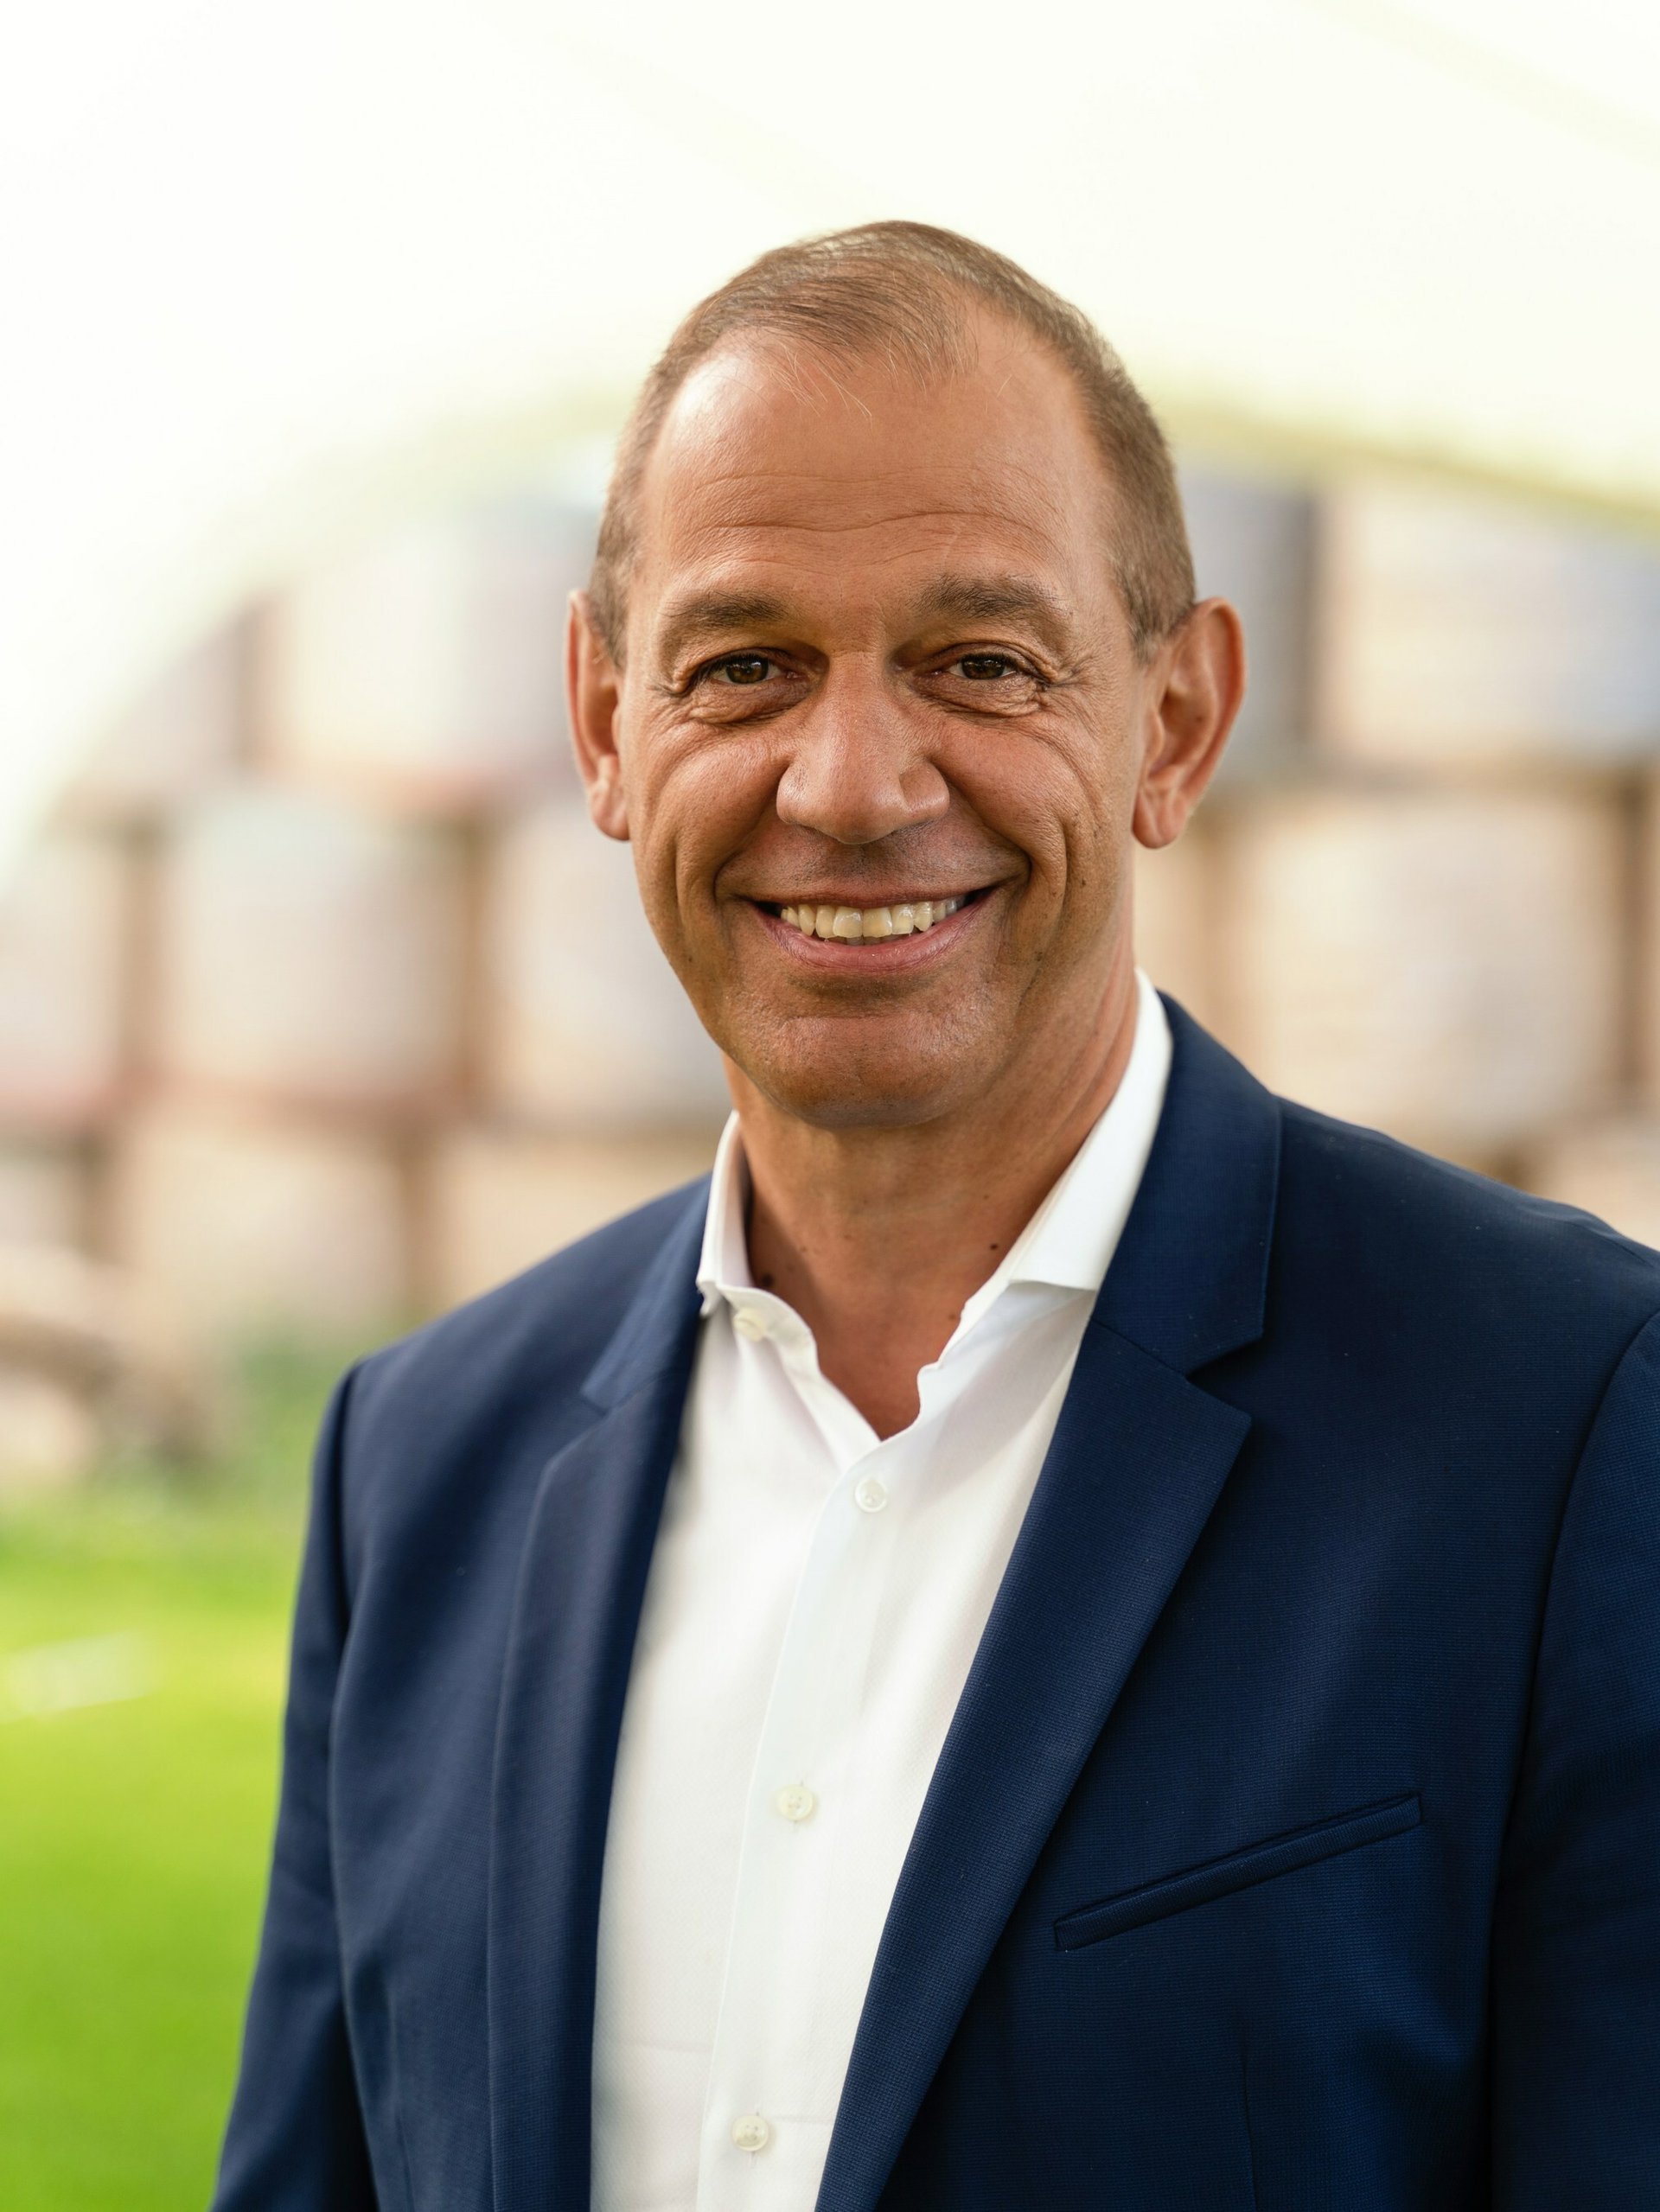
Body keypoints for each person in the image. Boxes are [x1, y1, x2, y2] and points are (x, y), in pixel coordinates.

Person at [212, 222, 1660, 2212]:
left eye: (981, 662)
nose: (851, 782)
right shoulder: (422, 1460)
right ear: (606, 723)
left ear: (1175, 721)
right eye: (746, 665)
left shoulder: (1567, 1422)